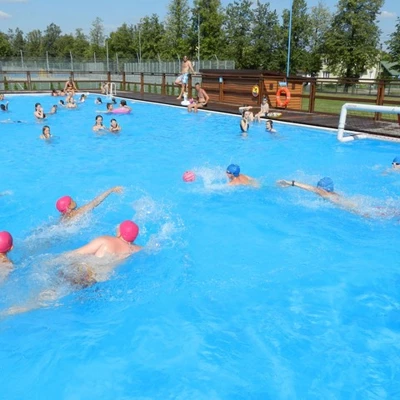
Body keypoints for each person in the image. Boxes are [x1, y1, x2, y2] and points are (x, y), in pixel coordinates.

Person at [276, 177, 362, 215]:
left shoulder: (326, 195)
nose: (318, 190)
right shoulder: (333, 194)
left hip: (359, 212)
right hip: (356, 207)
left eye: (319, 188)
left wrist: (291, 183)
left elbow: (311, 188)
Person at [55, 186, 123, 222]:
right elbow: (96, 202)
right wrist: (111, 190)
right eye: (72, 200)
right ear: (69, 207)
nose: (74, 201)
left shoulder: (62, 217)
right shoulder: (79, 212)